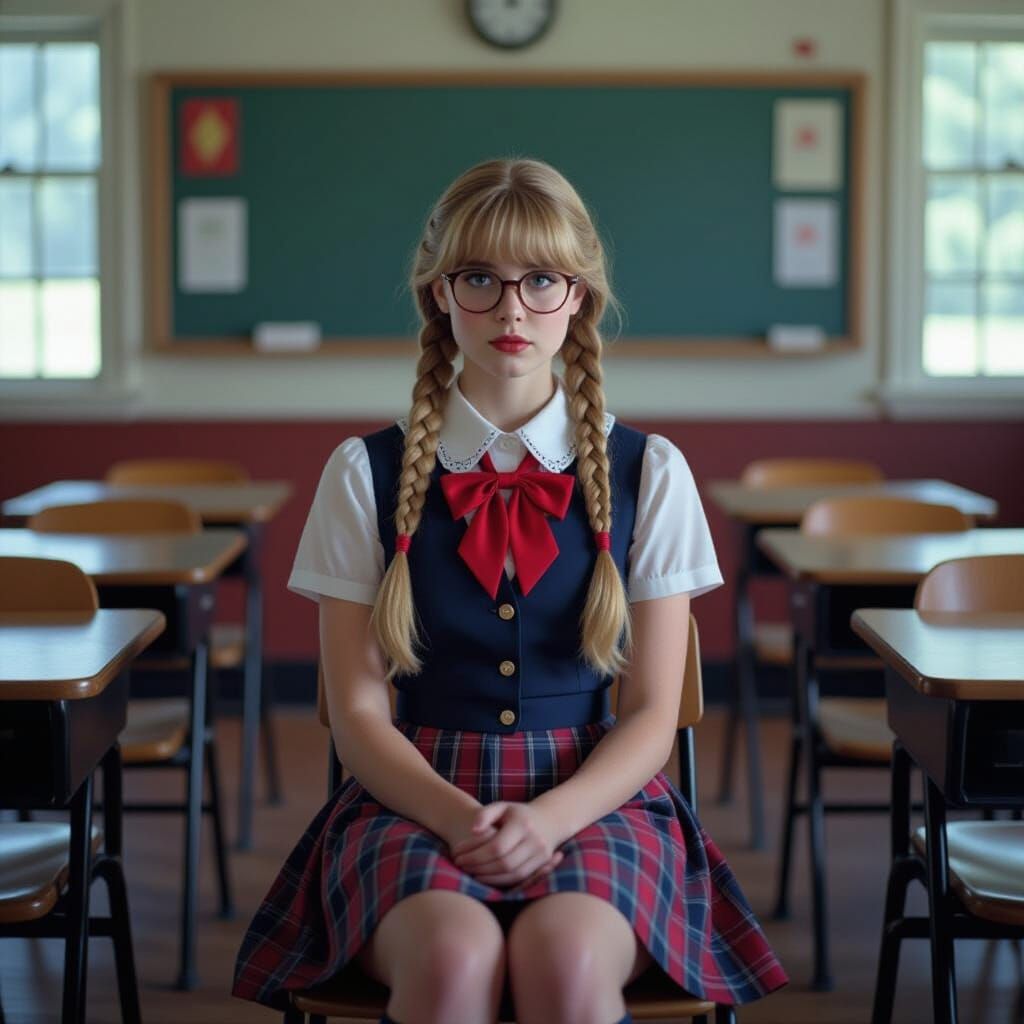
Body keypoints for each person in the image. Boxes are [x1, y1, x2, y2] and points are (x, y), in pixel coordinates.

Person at [232, 157, 786, 1024]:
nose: (512, 309)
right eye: (481, 279)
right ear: (439, 294)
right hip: (412, 794)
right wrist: (459, 819)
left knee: (564, 964)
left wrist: (553, 818)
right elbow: (358, 717)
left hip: (597, 796)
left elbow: (649, 715)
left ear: (579, 298)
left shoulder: (653, 471)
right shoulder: (363, 474)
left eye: (541, 280)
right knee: (455, 961)